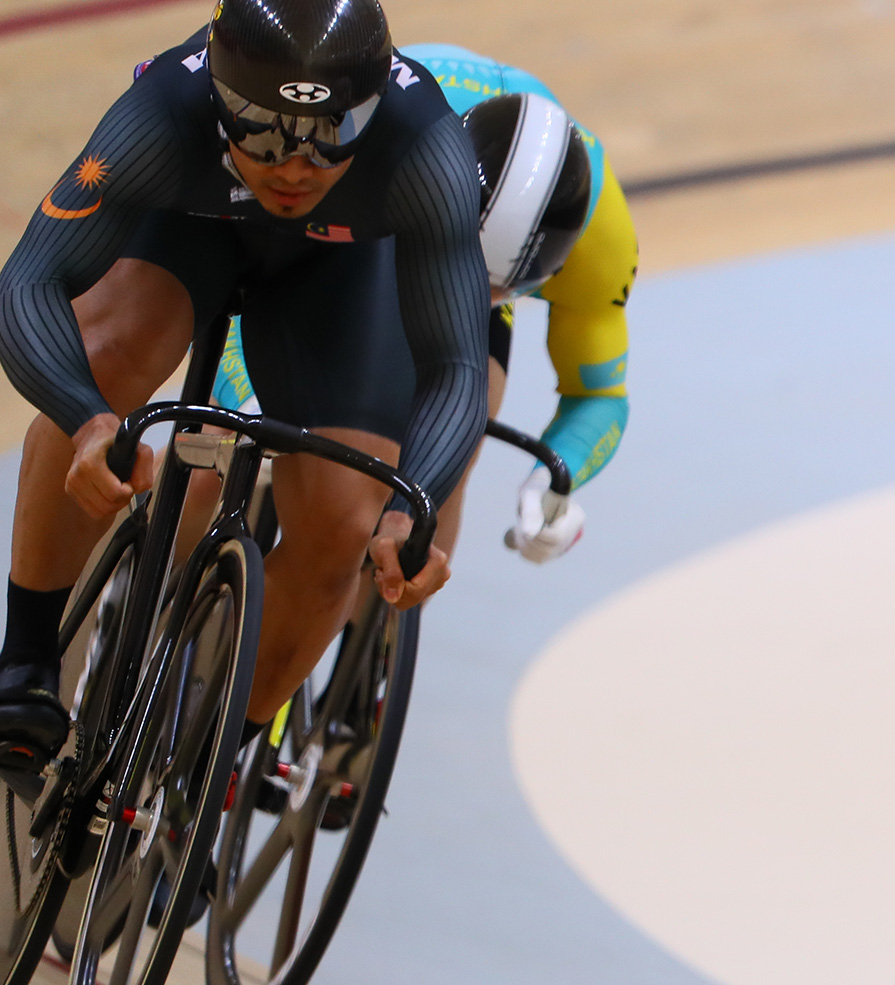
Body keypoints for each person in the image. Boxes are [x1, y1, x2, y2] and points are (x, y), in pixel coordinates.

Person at [0, 0, 486, 761]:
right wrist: (87, 417)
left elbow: (457, 366)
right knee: (105, 361)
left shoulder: (429, 148)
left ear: (375, 108)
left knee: (339, 525)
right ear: (219, 102)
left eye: (334, 140)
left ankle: (202, 773)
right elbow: (27, 285)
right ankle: (24, 667)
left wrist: (408, 508)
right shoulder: (162, 110)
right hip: (194, 232)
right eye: (260, 133)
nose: (295, 168)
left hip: (339, 274)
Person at [211, 43, 639, 563]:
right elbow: (252, 266)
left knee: (453, 451)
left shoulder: (600, 247)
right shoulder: (383, 133)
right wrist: (241, 398)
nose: (457, 293)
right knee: (218, 438)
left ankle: (372, 614)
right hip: (383, 211)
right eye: (458, 269)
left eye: (492, 290)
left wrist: (549, 484)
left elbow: (599, 394)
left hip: (422, 216)